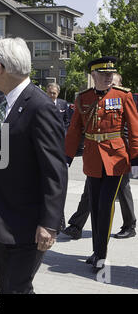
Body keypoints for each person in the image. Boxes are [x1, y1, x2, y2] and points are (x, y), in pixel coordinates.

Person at [0, 37, 68, 294]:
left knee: (16, 288)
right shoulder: (0, 104)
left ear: (0, 68)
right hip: (3, 223)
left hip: (30, 225)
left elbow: (55, 170)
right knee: (7, 288)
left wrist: (49, 223)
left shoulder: (41, 107)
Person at [65, 57, 138, 270]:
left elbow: (134, 129)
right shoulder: (83, 98)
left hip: (116, 159)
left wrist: (135, 159)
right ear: (93, 76)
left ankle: (101, 255)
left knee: (105, 206)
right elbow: (74, 130)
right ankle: (97, 250)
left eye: (110, 74)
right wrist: (66, 158)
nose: (108, 78)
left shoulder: (122, 96)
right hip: (93, 158)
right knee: (95, 206)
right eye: (104, 75)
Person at [46, 82, 71, 233]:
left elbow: (68, 121)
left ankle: (60, 220)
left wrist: (64, 135)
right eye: (49, 92)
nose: (51, 96)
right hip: (46, 146)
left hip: (60, 147)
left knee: (59, 185)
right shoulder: (41, 103)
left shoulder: (63, 104)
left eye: (53, 93)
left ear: (58, 94)